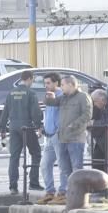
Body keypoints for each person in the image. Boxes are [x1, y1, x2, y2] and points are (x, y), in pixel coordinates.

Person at [0, 70, 43, 194]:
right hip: (27, 127)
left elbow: (5, 112)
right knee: (36, 152)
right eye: (32, 80)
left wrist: (2, 128)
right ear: (29, 79)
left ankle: (13, 186)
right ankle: (33, 182)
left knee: (14, 157)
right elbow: (35, 112)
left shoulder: (11, 93)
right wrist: (39, 125)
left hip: (13, 127)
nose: (32, 82)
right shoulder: (30, 93)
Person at [52, 75, 92, 205]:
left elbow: (87, 114)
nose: (61, 87)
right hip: (63, 137)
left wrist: (74, 125)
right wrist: (48, 97)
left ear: (71, 84)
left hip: (75, 138)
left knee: (76, 167)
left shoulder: (82, 97)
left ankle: (78, 195)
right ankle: (69, 193)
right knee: (64, 168)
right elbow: (52, 103)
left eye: (63, 85)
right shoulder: (63, 98)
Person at [36, 73, 62, 204]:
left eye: (48, 83)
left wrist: (58, 130)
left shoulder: (61, 96)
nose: (46, 86)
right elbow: (48, 115)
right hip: (49, 135)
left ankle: (63, 192)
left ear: (56, 83)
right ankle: (50, 192)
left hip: (58, 135)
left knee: (63, 165)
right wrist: (43, 128)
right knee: (45, 164)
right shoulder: (49, 96)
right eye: (45, 83)